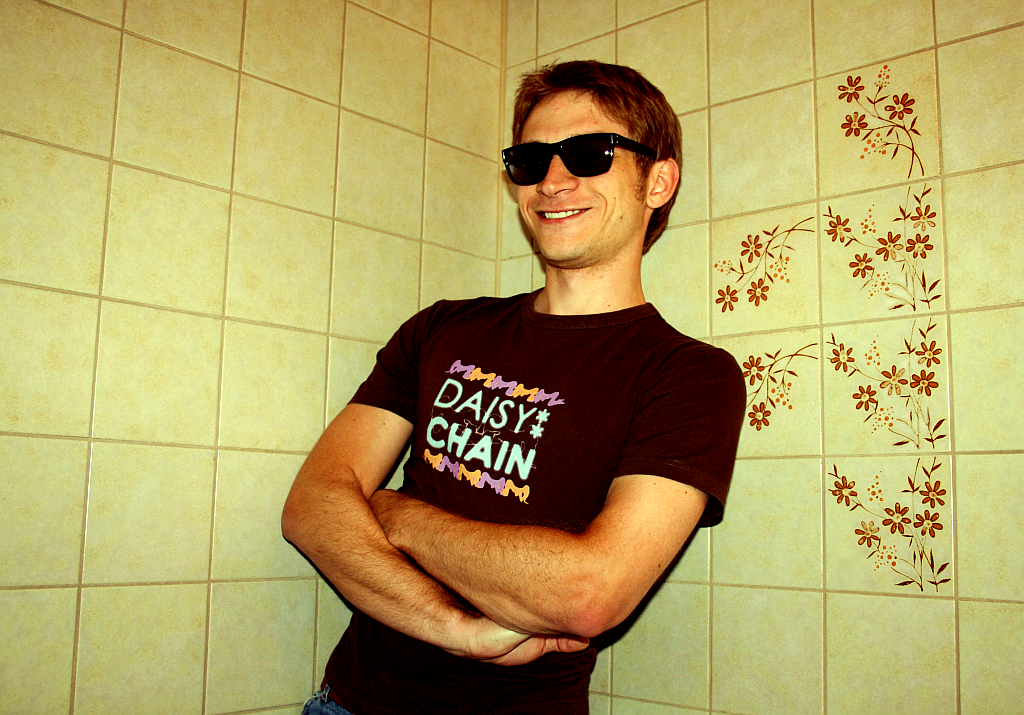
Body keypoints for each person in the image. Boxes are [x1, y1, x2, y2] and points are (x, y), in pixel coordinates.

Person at [282, 60, 745, 715]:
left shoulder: (691, 375)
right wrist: (460, 630)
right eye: (530, 161)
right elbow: (310, 507)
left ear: (658, 181)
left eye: (589, 153)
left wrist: (396, 513)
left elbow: (590, 592)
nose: (552, 182)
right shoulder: (441, 328)